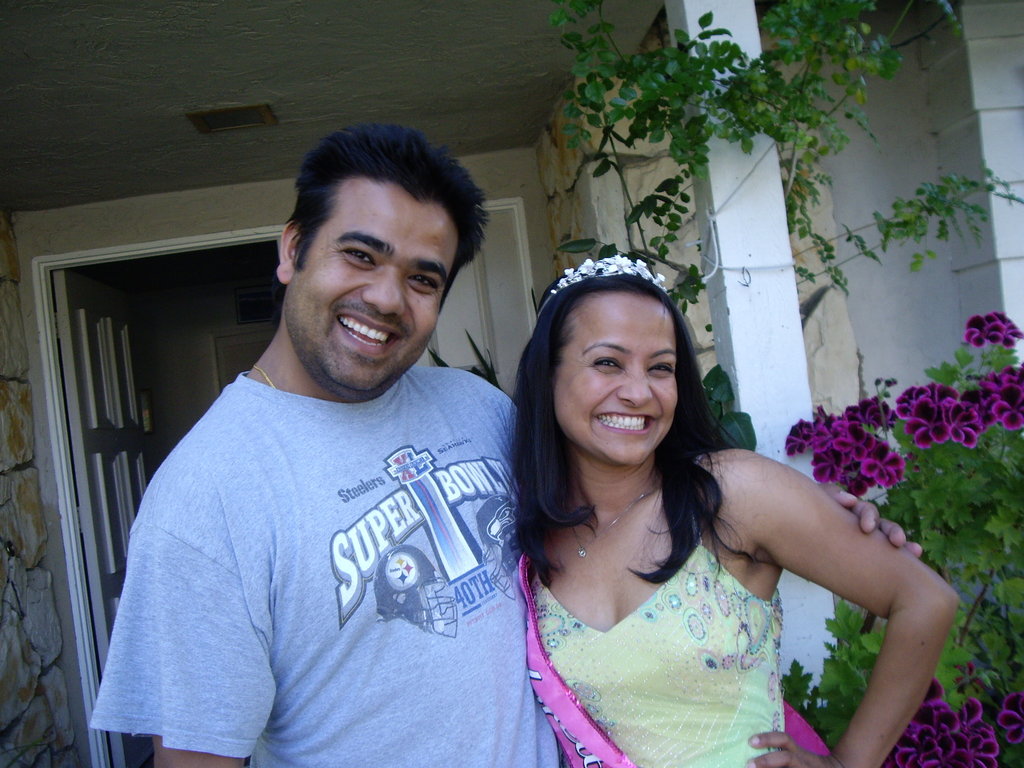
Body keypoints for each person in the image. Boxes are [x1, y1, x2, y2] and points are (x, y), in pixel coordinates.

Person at [91, 125, 916, 767]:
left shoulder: (475, 408)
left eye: (423, 277)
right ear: (291, 249)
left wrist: (809, 517)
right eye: (359, 254)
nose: (387, 298)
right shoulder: (205, 497)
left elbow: (621, 478)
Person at [512, 256, 958, 768]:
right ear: (548, 374)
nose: (638, 392)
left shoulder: (731, 494)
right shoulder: (527, 533)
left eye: (661, 368)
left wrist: (849, 763)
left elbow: (925, 599)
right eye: (608, 363)